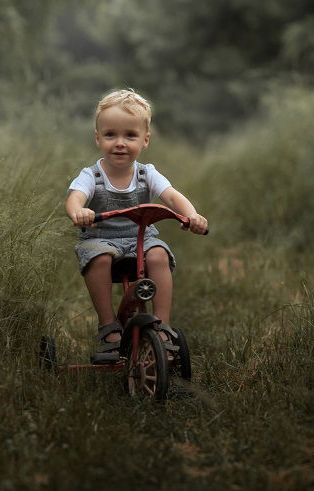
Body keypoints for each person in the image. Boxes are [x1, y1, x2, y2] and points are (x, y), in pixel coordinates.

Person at [65, 89, 208, 364]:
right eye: (110, 135)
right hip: (101, 237)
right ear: (98, 139)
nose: (120, 143)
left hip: (140, 237)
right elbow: (75, 199)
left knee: (158, 255)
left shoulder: (147, 173)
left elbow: (172, 195)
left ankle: (162, 327)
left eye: (129, 135)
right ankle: (108, 328)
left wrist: (192, 216)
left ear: (145, 140)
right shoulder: (91, 176)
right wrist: (78, 212)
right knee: (99, 257)